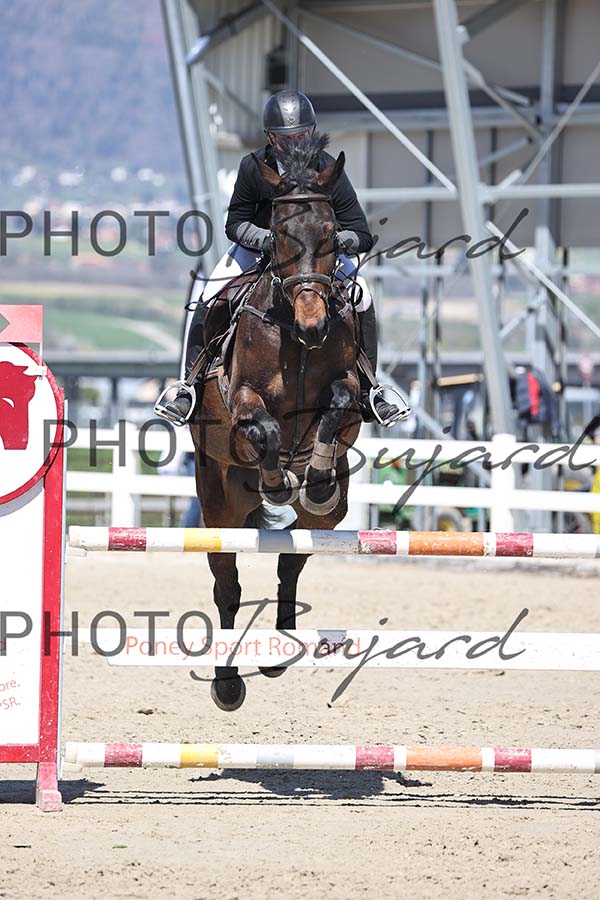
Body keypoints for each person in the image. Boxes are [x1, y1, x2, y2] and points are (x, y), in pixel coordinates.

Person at [159, 89, 409, 427]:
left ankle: (370, 391)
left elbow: (360, 233)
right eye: (285, 138)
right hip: (259, 249)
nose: (294, 144)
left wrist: (330, 241)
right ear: (270, 138)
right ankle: (190, 386)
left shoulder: (327, 168)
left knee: (363, 295)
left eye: (301, 136)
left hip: (317, 255)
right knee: (209, 293)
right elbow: (235, 223)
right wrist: (268, 241)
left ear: (312, 132)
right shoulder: (253, 168)